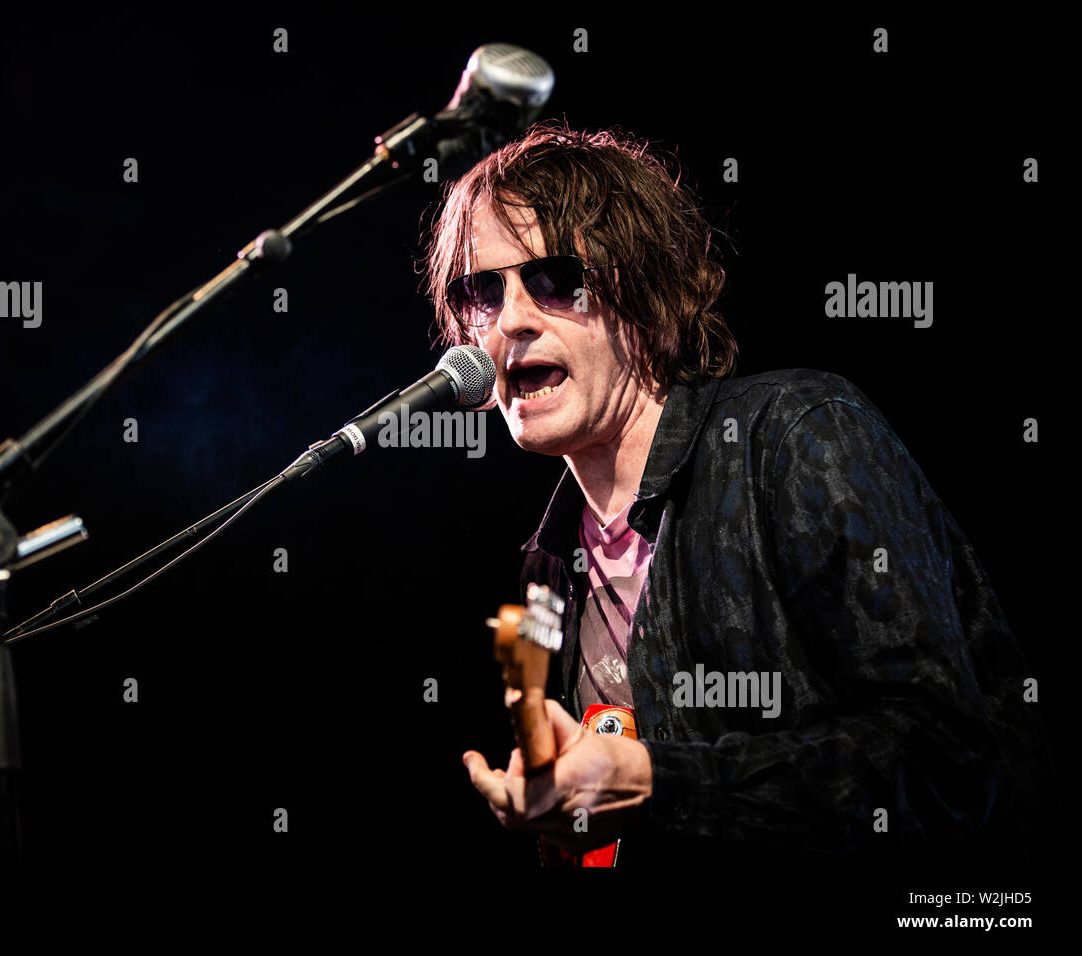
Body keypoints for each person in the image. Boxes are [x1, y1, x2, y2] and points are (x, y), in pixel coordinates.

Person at [430, 122, 1046, 861]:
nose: (514, 320)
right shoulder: (548, 565)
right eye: (481, 292)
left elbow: (946, 759)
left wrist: (660, 783)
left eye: (557, 279)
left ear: (647, 296)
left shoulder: (795, 436)